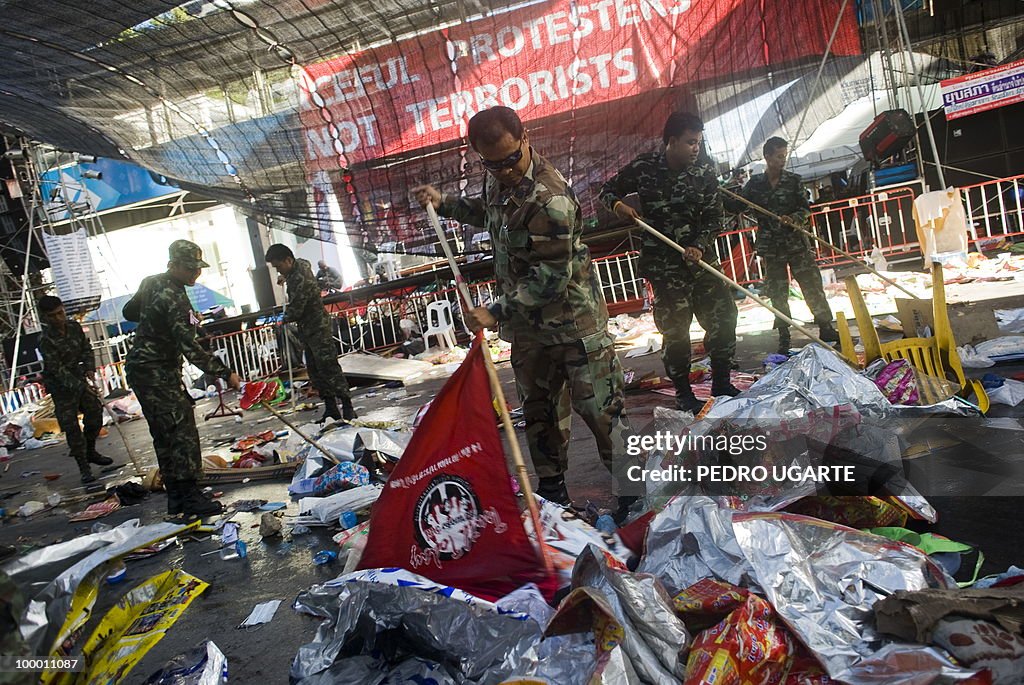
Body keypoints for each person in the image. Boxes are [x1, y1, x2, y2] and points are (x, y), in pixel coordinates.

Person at [412, 106, 634, 510]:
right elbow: (489, 212)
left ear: (526, 138)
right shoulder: (498, 177)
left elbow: (552, 276)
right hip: (531, 333)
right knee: (540, 416)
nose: (506, 170)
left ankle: (634, 498)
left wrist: (495, 312)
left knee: (602, 413)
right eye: (493, 163)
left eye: (512, 159)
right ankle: (553, 498)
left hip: (575, 328)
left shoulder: (550, 199)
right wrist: (444, 203)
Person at [600, 112, 740, 414]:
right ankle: (684, 393)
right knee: (676, 332)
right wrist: (618, 205)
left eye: (699, 143)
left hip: (701, 263)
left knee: (725, 318)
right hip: (665, 266)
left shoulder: (703, 172)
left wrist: (699, 245)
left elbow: (716, 217)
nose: (695, 149)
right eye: (690, 142)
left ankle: (722, 383)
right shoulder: (645, 168)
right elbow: (607, 190)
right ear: (672, 141)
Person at [123, 240, 241, 519]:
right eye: (189, 268)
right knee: (183, 432)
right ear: (172, 265)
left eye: (197, 268)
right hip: (156, 371)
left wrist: (153, 321)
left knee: (164, 434)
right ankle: (189, 495)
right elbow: (191, 349)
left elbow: (129, 312)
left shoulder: (151, 282)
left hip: (141, 369)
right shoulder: (175, 297)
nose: (195, 274)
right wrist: (226, 372)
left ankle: (176, 499)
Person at [732, 137, 838, 353]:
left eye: (784, 156)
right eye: (779, 156)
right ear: (767, 157)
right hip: (772, 247)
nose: (783, 160)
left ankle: (825, 326)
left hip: (796, 244)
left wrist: (794, 218)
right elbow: (738, 206)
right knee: (777, 291)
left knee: (811, 285)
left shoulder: (794, 181)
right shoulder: (755, 185)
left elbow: (805, 209)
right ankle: (783, 333)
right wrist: (719, 193)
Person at [265, 244, 356, 422]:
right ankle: (331, 408)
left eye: (279, 267)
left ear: (288, 260)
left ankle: (347, 406)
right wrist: (285, 275)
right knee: (315, 370)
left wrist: (283, 318)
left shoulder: (299, 277)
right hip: (307, 329)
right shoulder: (298, 268)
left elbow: (297, 307)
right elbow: (298, 269)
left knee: (328, 367)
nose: (278, 270)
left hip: (317, 328)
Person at [37, 295, 112, 483]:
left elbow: (87, 349)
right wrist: (80, 387)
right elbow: (56, 369)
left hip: (78, 376)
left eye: (60, 313)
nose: (58, 318)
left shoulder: (74, 328)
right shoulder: (45, 339)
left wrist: (89, 368)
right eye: (52, 316)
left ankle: (90, 451)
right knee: (71, 427)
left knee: (95, 412)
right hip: (61, 388)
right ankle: (84, 468)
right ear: (45, 318)